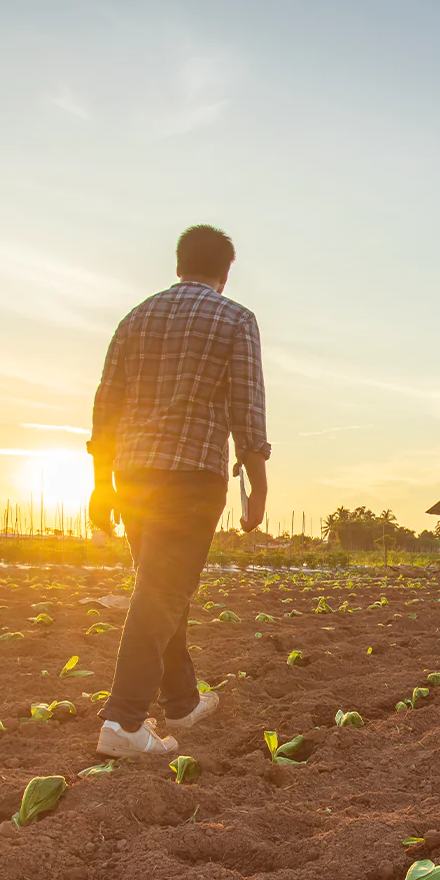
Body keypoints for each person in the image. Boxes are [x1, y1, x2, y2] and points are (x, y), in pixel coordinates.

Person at [86, 224, 269, 757]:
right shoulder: (235, 318)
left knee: (161, 586)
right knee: (164, 590)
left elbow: (107, 406)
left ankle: (183, 703)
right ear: (227, 271)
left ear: (177, 264)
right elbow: (247, 408)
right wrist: (257, 486)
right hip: (192, 473)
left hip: (134, 475)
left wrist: (101, 485)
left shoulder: (135, 318)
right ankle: (122, 723)